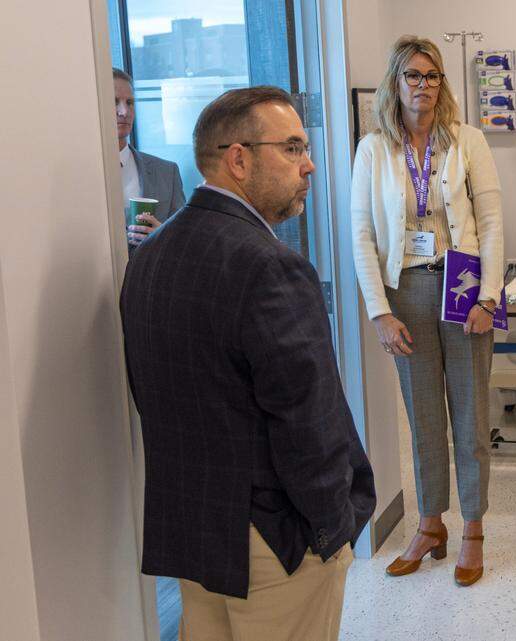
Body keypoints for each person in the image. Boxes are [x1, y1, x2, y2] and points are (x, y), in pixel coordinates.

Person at [120, 86, 375, 641]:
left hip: (194, 530)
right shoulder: (270, 266)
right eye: (291, 148)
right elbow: (309, 419)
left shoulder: (151, 257)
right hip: (274, 542)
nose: (308, 165)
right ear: (238, 159)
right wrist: (335, 529)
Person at [350, 35, 503, 587]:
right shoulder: (374, 149)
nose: (423, 85)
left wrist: (489, 296)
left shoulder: (468, 141)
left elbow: (490, 221)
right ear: (396, 82)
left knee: (471, 416)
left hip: (461, 283)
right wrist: (378, 311)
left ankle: (474, 528)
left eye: (432, 76)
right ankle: (431, 523)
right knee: (423, 418)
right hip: (407, 291)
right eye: (413, 75)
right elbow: (362, 234)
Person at [113, 68, 185, 250]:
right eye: (114, 102)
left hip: (153, 273)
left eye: (129, 103)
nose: (124, 111)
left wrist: (163, 236)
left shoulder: (167, 173)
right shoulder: (80, 176)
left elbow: (184, 240)